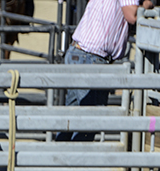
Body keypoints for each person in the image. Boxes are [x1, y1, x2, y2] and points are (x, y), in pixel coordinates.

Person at [59, 0, 154, 141]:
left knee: (72, 118)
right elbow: (132, 14)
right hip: (91, 58)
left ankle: (57, 158)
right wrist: (148, 5)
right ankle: (76, 161)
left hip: (80, 52)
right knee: (91, 119)